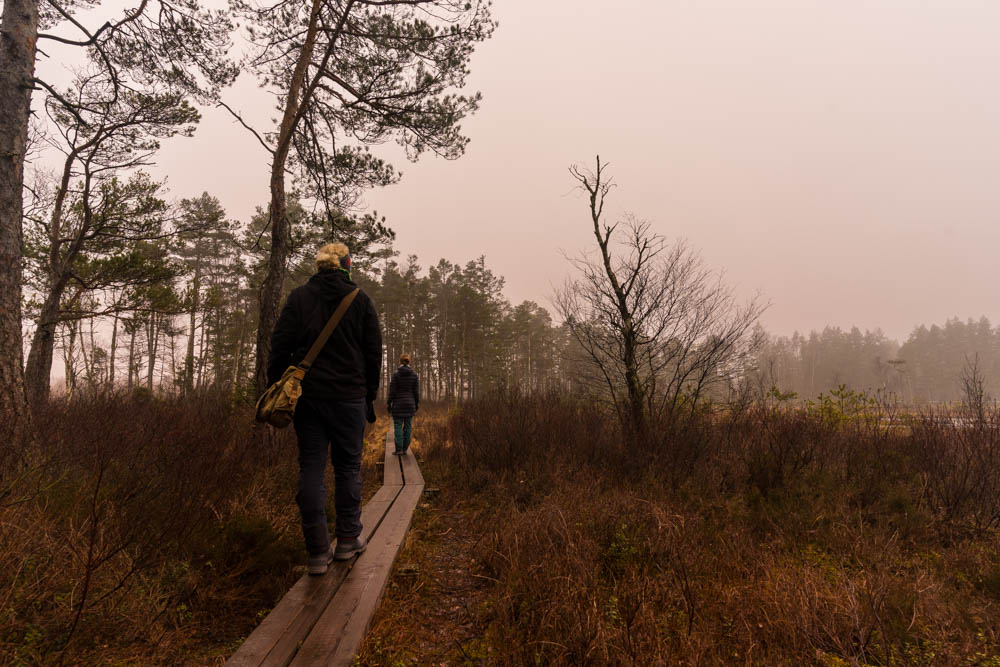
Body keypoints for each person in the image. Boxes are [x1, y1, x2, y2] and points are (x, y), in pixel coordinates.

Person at [268, 242, 382, 575]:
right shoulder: (360, 300)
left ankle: (318, 552)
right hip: (349, 400)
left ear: (318, 266)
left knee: (311, 469)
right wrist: (368, 398)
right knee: (348, 468)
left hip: (309, 401)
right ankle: (348, 540)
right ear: (347, 264)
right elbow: (373, 355)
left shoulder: (299, 298)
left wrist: (279, 387)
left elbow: (279, 348)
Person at [387, 354, 419, 455]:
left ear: (400, 361)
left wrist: (389, 403)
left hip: (398, 405)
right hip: (410, 404)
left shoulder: (396, 375)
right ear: (409, 362)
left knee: (397, 426)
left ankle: (399, 449)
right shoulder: (414, 375)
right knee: (408, 427)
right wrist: (416, 404)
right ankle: (405, 449)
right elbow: (416, 392)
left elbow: (392, 391)